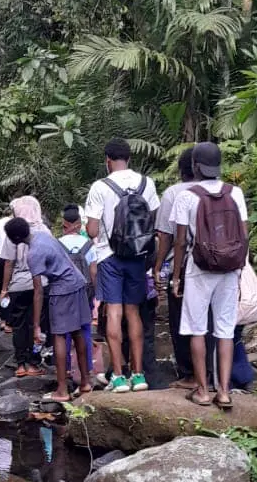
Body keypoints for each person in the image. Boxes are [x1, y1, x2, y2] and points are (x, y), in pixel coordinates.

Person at [170, 141, 249, 410]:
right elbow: (245, 235)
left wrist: (176, 276)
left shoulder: (187, 196)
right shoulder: (235, 193)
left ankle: (203, 391)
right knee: (225, 330)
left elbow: (180, 242)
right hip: (229, 269)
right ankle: (224, 392)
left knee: (196, 329)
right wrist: (240, 269)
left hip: (199, 269)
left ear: (195, 166)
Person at [85, 138, 159, 393]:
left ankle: (118, 376)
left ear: (107, 160)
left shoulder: (99, 186)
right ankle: (139, 376)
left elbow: (92, 230)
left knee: (113, 313)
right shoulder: (146, 183)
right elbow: (152, 219)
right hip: (138, 257)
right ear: (129, 158)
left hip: (109, 257)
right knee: (134, 313)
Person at [5, 217, 93, 404]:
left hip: (62, 289)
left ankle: (62, 390)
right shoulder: (44, 236)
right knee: (77, 332)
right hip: (78, 282)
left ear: (16, 239)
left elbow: (38, 292)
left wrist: (36, 326)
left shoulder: (33, 254)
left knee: (59, 336)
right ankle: (85, 382)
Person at [153, 147, 196, 387]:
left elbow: (166, 236)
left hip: (183, 265)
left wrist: (158, 265)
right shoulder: (224, 190)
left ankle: (188, 372)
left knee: (180, 318)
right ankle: (214, 373)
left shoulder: (174, 193)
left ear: (181, 170)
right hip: (219, 265)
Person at [0, 197, 50, 378]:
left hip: (18, 285)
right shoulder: (44, 230)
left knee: (20, 326)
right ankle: (34, 363)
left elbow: (8, 263)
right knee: (38, 325)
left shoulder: (13, 230)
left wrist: (4, 288)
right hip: (41, 283)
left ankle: (20, 364)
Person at [59, 205, 98, 380]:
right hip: (85, 291)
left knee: (64, 330)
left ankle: (65, 368)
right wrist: (96, 293)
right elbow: (94, 271)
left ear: (65, 224)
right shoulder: (88, 244)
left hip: (63, 292)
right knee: (85, 329)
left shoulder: (58, 244)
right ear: (79, 224)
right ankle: (88, 368)